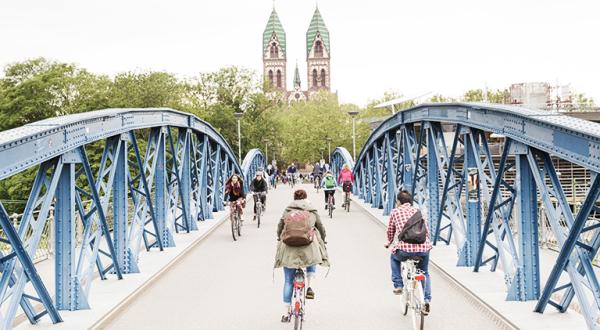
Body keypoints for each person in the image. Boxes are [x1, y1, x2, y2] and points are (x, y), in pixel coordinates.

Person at [274, 189, 329, 322]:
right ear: (306, 198)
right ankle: (310, 285)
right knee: (313, 257)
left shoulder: (288, 210)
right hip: (307, 246)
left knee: (288, 281)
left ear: (294, 198)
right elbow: (320, 227)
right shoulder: (311, 210)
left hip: (289, 248)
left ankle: (286, 314)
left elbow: (280, 226)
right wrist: (323, 238)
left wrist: (278, 237)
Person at [385, 190, 432, 314]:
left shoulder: (395, 212)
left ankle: (398, 285)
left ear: (399, 202)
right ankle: (426, 300)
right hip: (423, 248)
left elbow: (391, 231)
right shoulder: (419, 212)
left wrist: (389, 242)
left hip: (405, 250)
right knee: (425, 272)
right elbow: (426, 231)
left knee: (394, 257)